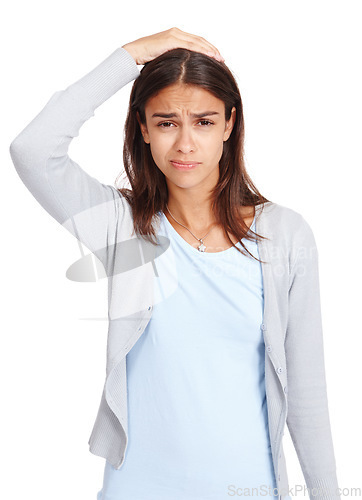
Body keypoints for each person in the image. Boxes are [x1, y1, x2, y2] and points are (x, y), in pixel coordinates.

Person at [9, 27, 341, 500]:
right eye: (166, 122)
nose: (185, 144)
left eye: (204, 122)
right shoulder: (121, 229)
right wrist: (130, 56)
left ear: (230, 125)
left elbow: (307, 396)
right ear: (142, 129)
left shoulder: (284, 235)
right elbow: (32, 149)